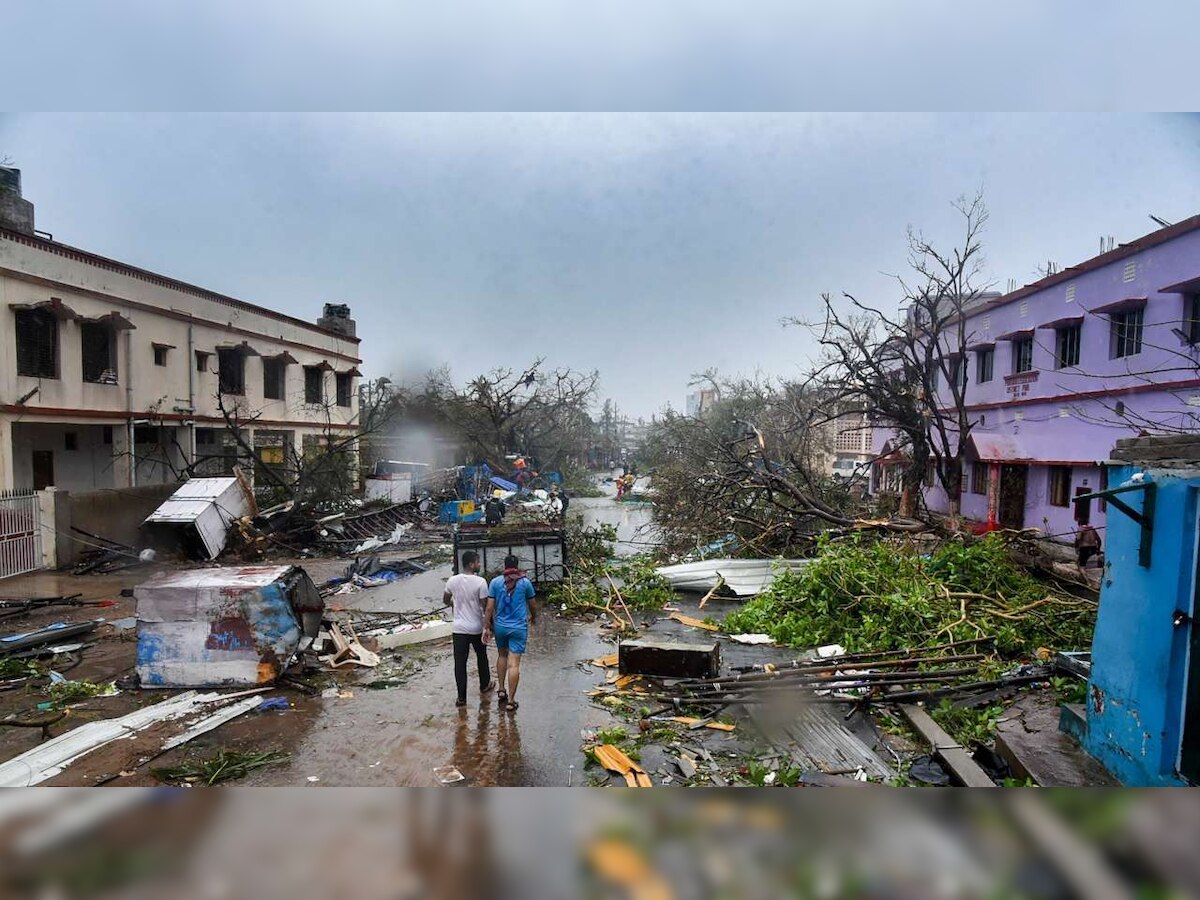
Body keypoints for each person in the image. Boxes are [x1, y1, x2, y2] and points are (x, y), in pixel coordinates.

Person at [443, 550, 496, 707]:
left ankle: (461, 698)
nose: (479, 565)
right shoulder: (480, 582)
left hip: (458, 628)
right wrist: (489, 625)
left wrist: (456, 605)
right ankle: (485, 685)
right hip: (476, 627)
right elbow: (486, 606)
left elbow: (445, 599)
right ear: (472, 564)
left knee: (460, 663)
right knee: (481, 657)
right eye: (478, 562)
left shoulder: (452, 580)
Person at [485, 553, 537, 713]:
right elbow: (533, 604)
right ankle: (511, 701)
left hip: (500, 627)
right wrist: (533, 617)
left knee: (501, 656)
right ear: (517, 565)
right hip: (518, 628)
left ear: (505, 566)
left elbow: (489, 607)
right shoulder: (525, 583)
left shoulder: (495, 582)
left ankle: (501, 689)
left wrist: (487, 625)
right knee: (514, 664)